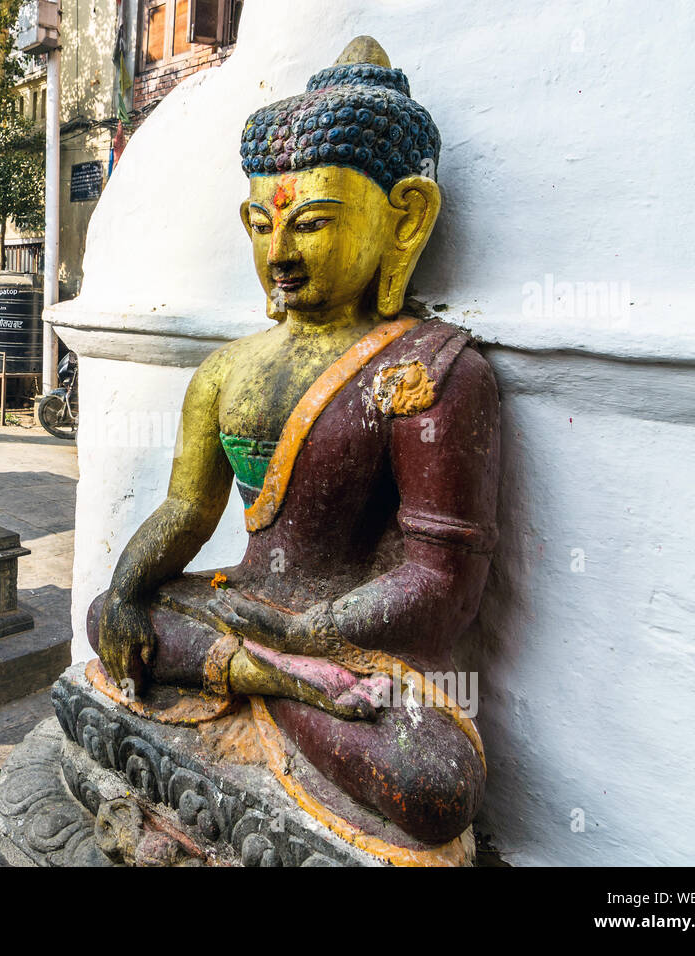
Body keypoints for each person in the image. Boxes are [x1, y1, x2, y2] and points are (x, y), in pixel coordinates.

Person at [87, 37, 499, 848]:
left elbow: (441, 583)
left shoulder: (433, 372)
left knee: (437, 783)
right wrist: (133, 586)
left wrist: (304, 634)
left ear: (405, 218)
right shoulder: (226, 370)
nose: (279, 255)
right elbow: (185, 508)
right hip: (242, 607)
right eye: (261, 225)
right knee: (109, 613)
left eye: (312, 224)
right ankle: (276, 684)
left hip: (345, 634)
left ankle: (264, 680)